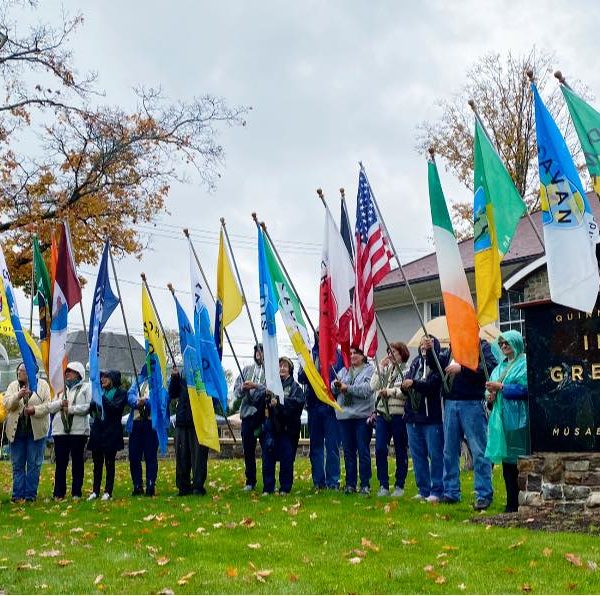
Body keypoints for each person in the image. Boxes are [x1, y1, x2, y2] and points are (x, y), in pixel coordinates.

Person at [440, 340, 497, 510]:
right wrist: (430, 352)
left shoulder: (481, 346)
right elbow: (438, 368)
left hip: (472, 402)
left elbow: (489, 367)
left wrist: (463, 369)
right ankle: (450, 491)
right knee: (449, 451)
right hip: (450, 402)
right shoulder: (451, 347)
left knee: (479, 450)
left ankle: (484, 494)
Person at [485, 331, 529, 513]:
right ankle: (511, 503)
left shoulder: (524, 363)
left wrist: (502, 387)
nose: (503, 346)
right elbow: (489, 393)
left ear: (516, 343)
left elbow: (526, 389)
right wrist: (490, 395)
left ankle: (523, 502)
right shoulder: (498, 367)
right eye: (501, 343)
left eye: (507, 343)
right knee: (507, 464)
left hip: (519, 418)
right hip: (500, 418)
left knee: (520, 462)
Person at [401, 336, 445, 502]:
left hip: (430, 417)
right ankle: (423, 489)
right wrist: (404, 386)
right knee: (418, 455)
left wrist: (414, 384)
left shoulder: (438, 363)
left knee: (435, 454)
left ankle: (437, 489)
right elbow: (407, 383)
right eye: (421, 343)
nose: (423, 346)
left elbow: (432, 386)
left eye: (428, 343)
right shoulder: (415, 363)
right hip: (412, 416)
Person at [299, 330, 343, 491]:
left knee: (332, 446)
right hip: (314, 406)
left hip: (331, 406)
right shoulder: (311, 355)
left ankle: (333, 481)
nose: (320, 335)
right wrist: (307, 367)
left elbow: (342, 377)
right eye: (318, 332)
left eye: (322, 332)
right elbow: (301, 377)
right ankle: (318, 481)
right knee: (316, 446)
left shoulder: (338, 355)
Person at [3, 363, 51, 502]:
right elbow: (7, 404)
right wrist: (18, 396)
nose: (19, 373)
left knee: (34, 464)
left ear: (31, 371)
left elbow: (48, 405)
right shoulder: (13, 386)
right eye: (18, 370)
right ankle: (17, 495)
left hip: (35, 433)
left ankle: (30, 495)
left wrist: (34, 410)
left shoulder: (43, 386)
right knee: (17, 464)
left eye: (23, 371)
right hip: (17, 433)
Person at [332, 345, 375, 495]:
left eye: (355, 353)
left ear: (363, 355)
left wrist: (347, 388)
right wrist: (336, 385)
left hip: (362, 417)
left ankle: (365, 484)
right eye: (350, 353)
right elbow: (333, 387)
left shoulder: (370, 370)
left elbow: (367, 389)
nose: (352, 356)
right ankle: (350, 483)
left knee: (363, 450)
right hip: (344, 416)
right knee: (348, 452)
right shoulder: (344, 370)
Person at [46, 361, 92, 500]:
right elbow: (50, 407)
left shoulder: (86, 387)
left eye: (70, 371)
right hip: (60, 431)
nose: (67, 374)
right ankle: (59, 493)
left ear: (79, 374)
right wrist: (60, 403)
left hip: (78, 431)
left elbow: (88, 407)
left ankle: (76, 492)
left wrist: (71, 409)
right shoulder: (61, 390)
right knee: (60, 463)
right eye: (66, 372)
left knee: (77, 462)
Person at [370, 341, 411, 497]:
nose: (390, 355)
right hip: (383, 414)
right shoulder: (385, 370)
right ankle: (383, 484)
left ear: (402, 354)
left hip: (398, 414)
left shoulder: (407, 370)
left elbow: (404, 390)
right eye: (389, 352)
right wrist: (379, 367)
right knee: (380, 449)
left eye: (394, 352)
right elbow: (373, 386)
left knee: (400, 449)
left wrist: (390, 391)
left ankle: (400, 484)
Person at [259, 356, 305, 495]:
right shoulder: (271, 386)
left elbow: (296, 404)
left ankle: (285, 487)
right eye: (280, 366)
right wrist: (265, 397)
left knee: (286, 460)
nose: (282, 368)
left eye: (285, 366)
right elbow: (259, 404)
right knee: (267, 458)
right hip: (271, 428)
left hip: (287, 430)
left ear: (290, 369)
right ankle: (268, 487)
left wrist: (278, 402)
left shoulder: (295, 387)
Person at [87, 370, 128, 501]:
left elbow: (116, 408)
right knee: (97, 463)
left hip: (111, 432)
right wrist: (93, 403)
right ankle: (95, 490)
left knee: (109, 463)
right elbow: (91, 410)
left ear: (113, 379)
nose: (102, 380)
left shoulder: (121, 393)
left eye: (106, 378)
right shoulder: (99, 393)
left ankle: (108, 491)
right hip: (98, 431)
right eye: (102, 378)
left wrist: (102, 399)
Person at [169, 365, 208, 496]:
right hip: (181, 419)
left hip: (197, 421)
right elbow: (173, 394)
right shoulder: (181, 374)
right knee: (181, 456)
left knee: (198, 457)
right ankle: (183, 486)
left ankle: (198, 486)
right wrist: (174, 378)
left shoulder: (202, 369)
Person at [233, 343, 266, 491]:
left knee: (267, 449)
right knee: (248, 450)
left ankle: (268, 481)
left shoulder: (270, 371)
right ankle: (250, 481)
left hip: (263, 415)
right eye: (256, 350)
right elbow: (236, 392)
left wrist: (255, 386)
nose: (258, 352)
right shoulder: (246, 370)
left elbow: (272, 388)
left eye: (260, 350)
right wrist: (243, 388)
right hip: (247, 416)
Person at [126, 376, 159, 497]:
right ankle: (137, 485)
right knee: (134, 456)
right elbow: (130, 395)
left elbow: (159, 399)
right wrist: (136, 402)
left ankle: (150, 484)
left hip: (150, 423)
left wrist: (146, 401)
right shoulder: (138, 381)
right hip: (136, 423)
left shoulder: (158, 380)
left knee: (150, 456)